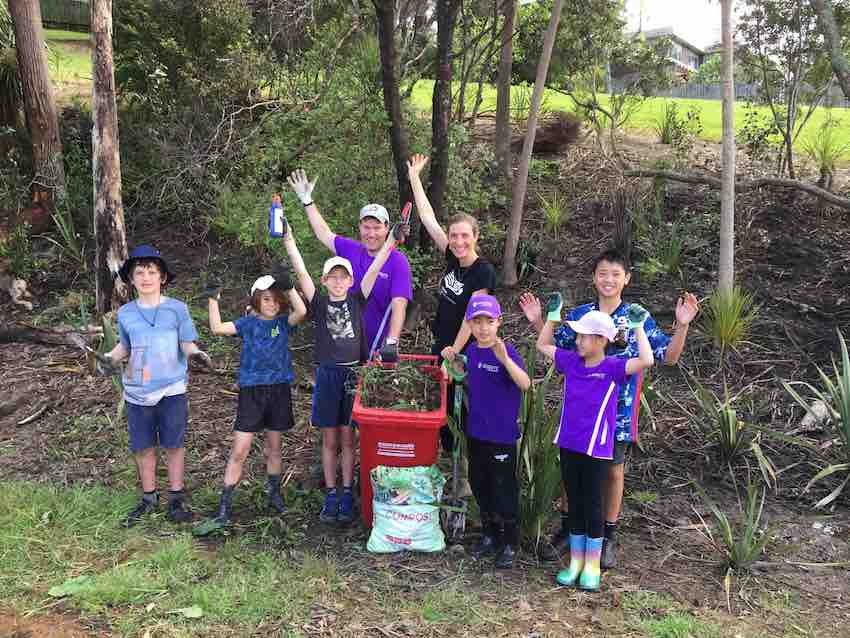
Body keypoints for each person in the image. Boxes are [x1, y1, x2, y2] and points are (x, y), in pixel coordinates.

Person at [519, 248, 700, 568]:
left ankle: (607, 536)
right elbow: (557, 347)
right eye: (603, 273)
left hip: (618, 409)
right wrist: (539, 320)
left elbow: (667, 357)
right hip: (580, 410)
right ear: (594, 277)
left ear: (627, 279)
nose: (609, 280)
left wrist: (682, 325)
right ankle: (567, 528)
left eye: (616, 274)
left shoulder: (636, 316)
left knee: (613, 470)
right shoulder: (581, 316)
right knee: (570, 470)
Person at [283, 219, 409, 523]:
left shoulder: (357, 300)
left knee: (349, 438)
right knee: (329, 440)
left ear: (352, 281)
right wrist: (289, 240)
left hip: (354, 375)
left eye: (343, 277)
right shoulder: (319, 302)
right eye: (332, 277)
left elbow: (378, 261)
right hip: (327, 375)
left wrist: (391, 240)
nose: (338, 282)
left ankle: (348, 490)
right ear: (325, 280)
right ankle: (331, 493)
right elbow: (300, 272)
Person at [537, 301, 654, 591]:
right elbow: (542, 345)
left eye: (584, 336)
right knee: (574, 502)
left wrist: (638, 329)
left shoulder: (613, 367)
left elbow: (647, 361)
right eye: (578, 336)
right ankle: (575, 562)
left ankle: (592, 565)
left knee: (593, 504)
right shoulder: (570, 361)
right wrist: (552, 318)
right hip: (569, 443)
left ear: (601, 340)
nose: (578, 341)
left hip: (597, 448)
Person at [407, 154, 497, 494]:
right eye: (454, 236)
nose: (458, 242)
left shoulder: (482, 272)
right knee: (443, 414)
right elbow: (428, 217)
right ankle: (453, 473)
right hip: (442, 348)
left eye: (465, 237)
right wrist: (416, 176)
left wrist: (453, 353)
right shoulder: (452, 259)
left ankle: (467, 483)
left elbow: (475, 318)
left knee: (461, 415)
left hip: (463, 355)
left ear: (475, 237)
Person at [104, 245, 211, 527]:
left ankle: (176, 498)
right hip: (137, 390)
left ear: (162, 277)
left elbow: (187, 343)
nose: (146, 277)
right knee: (143, 446)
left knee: (173, 444)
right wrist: (108, 359)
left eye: (152, 271)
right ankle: (149, 498)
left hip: (172, 388)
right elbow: (125, 346)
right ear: (131, 278)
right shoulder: (126, 313)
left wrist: (196, 355)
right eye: (140, 272)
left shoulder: (177, 309)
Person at [203, 268, 307, 527]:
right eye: (266, 299)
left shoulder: (283, 324)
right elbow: (216, 328)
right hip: (252, 392)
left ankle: (274, 494)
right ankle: (225, 505)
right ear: (256, 301)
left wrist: (290, 288)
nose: (272, 304)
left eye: (275, 298)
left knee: (274, 449)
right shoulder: (247, 324)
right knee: (240, 450)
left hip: (278, 390)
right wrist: (212, 298)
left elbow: (302, 312)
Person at [287, 169, 413, 361]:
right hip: (345, 347)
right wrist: (307, 201)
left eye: (377, 227)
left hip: (377, 349)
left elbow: (399, 305)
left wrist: (392, 342)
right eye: (366, 227)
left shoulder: (398, 261)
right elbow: (324, 234)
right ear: (359, 227)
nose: (371, 233)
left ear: (387, 228)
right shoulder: (351, 249)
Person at [460, 295, 530, 568]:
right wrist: (452, 362)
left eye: (489, 321)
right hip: (477, 433)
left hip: (501, 437)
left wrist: (505, 360)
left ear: (498, 322)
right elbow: (465, 378)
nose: (483, 328)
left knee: (504, 489)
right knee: (480, 484)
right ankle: (489, 534)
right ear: (470, 324)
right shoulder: (472, 351)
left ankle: (510, 542)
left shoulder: (506, 351)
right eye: (477, 322)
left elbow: (525, 384)